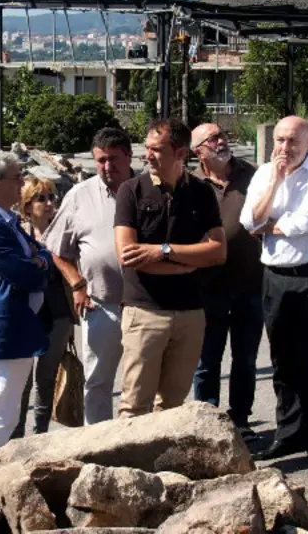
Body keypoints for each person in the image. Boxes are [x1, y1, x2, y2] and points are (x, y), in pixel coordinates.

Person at [240, 116, 308, 463]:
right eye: (280, 140)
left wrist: (271, 226)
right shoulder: (265, 172)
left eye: (293, 141)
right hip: (274, 276)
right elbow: (249, 221)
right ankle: (288, 433)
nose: (284, 148)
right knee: (282, 360)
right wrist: (275, 183)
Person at [114, 118, 226, 418]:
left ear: (180, 154)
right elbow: (128, 255)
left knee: (172, 408)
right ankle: (124, 464)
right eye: (146, 148)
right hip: (145, 313)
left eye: (157, 149)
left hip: (190, 314)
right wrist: (186, 262)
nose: (147, 156)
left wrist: (163, 252)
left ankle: (161, 465)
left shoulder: (201, 192)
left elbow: (217, 251)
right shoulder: (131, 191)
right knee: (134, 406)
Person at [0, 150, 53, 467]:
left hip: (15, 325)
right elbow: (27, 273)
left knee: (7, 409)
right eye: (16, 178)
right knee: (2, 413)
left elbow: (39, 250)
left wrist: (39, 258)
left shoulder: (3, 218)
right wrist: (40, 264)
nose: (22, 184)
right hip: (5, 329)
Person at [45, 127, 134, 424]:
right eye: (100, 160)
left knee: (143, 383)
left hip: (147, 306)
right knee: (97, 383)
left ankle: (140, 445)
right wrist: (77, 284)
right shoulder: (80, 196)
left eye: (113, 159)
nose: (107, 167)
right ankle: (98, 448)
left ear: (129, 155)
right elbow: (57, 250)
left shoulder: (149, 188)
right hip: (101, 306)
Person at [190, 123, 265, 436]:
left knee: (245, 360)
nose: (221, 141)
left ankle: (241, 420)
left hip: (251, 284)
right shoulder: (191, 184)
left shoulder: (254, 174)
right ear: (198, 152)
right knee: (206, 361)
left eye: (222, 135)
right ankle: (207, 425)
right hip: (208, 289)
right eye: (213, 139)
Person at [11, 176, 78, 437]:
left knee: (47, 379)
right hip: (28, 318)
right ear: (27, 206)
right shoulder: (18, 236)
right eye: (41, 198)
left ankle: (40, 435)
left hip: (59, 314)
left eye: (51, 197)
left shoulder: (63, 233)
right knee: (23, 382)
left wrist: (73, 318)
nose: (49, 203)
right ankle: (16, 437)